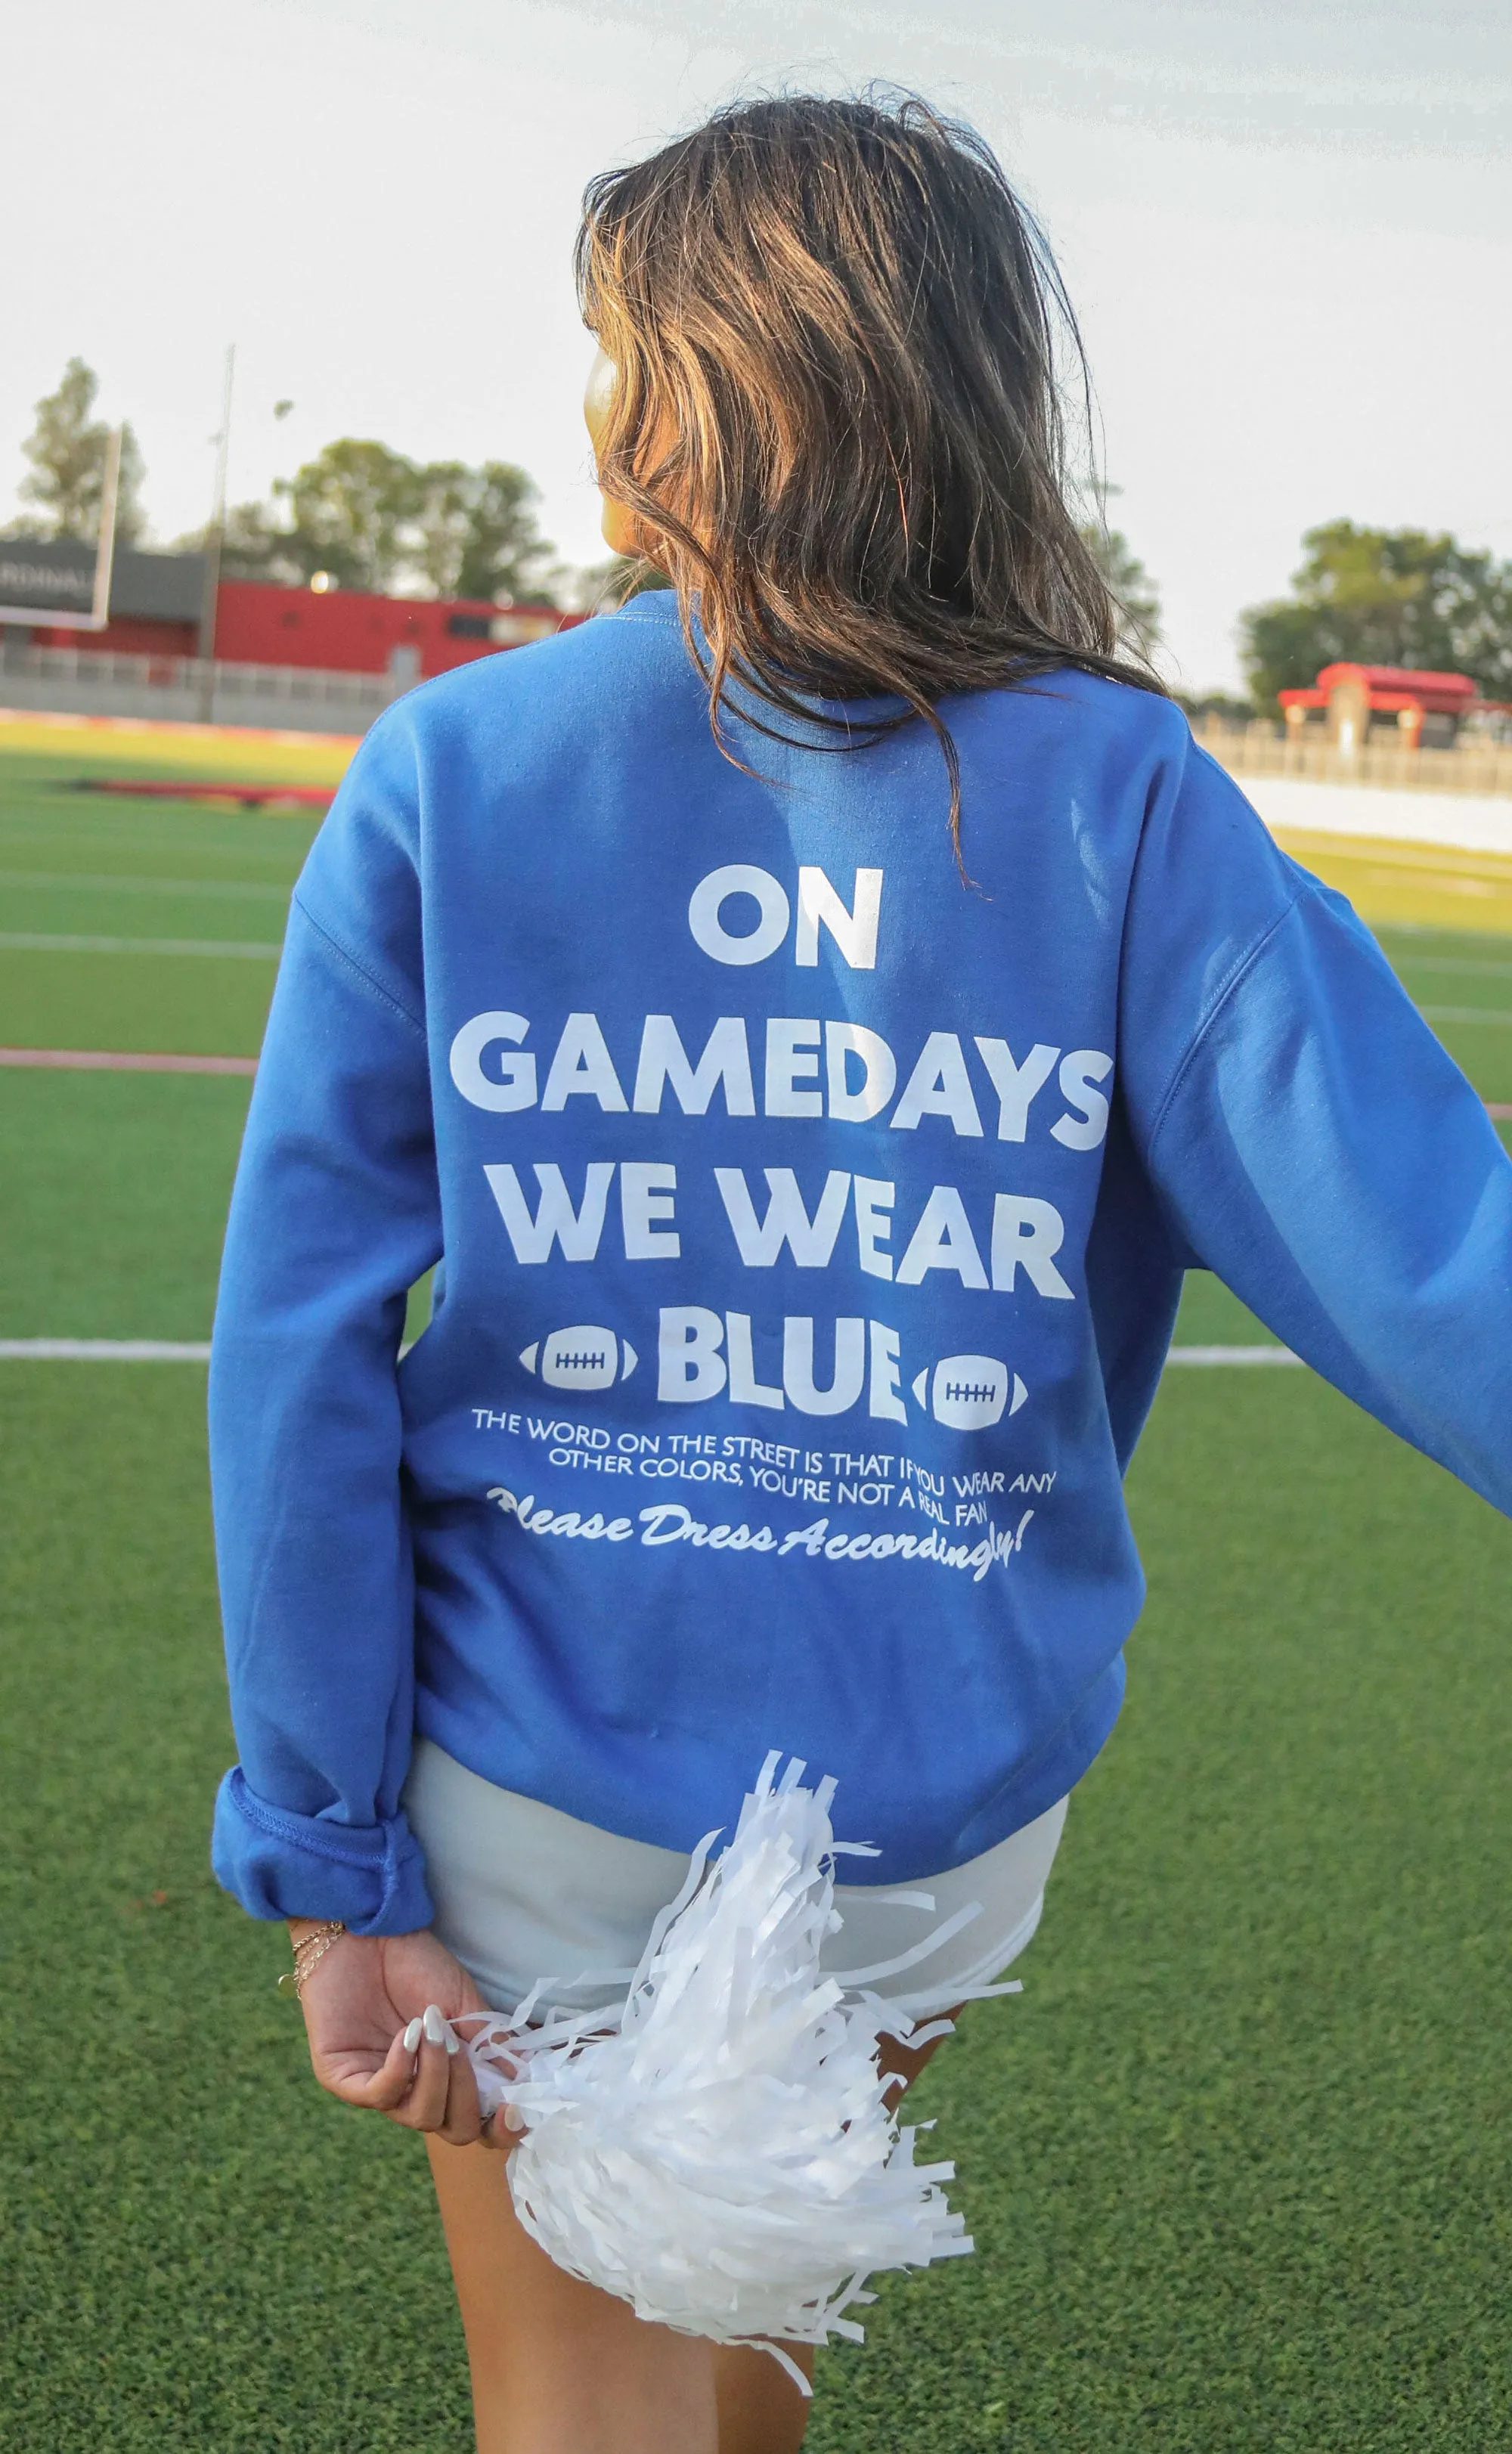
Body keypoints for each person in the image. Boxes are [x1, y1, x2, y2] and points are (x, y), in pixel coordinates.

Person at [207, 93, 1512, 2454]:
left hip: (536, 1770)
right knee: (748, 2335)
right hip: (928, 1802)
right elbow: (1446, 1263)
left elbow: (299, 1351)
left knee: (592, 2402)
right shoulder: (1131, 799)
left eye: (617, 358)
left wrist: (329, 1860)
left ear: (686, 405)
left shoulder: (456, 767)